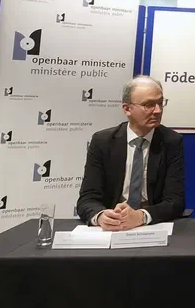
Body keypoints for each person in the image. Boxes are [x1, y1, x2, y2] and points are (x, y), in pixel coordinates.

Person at [76, 76, 185, 231]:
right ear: (127, 109)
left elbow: (175, 201)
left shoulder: (171, 141)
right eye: (148, 105)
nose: (158, 110)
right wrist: (101, 216)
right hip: (113, 225)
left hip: (152, 226)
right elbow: (87, 198)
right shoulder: (103, 141)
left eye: (160, 103)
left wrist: (141, 216)